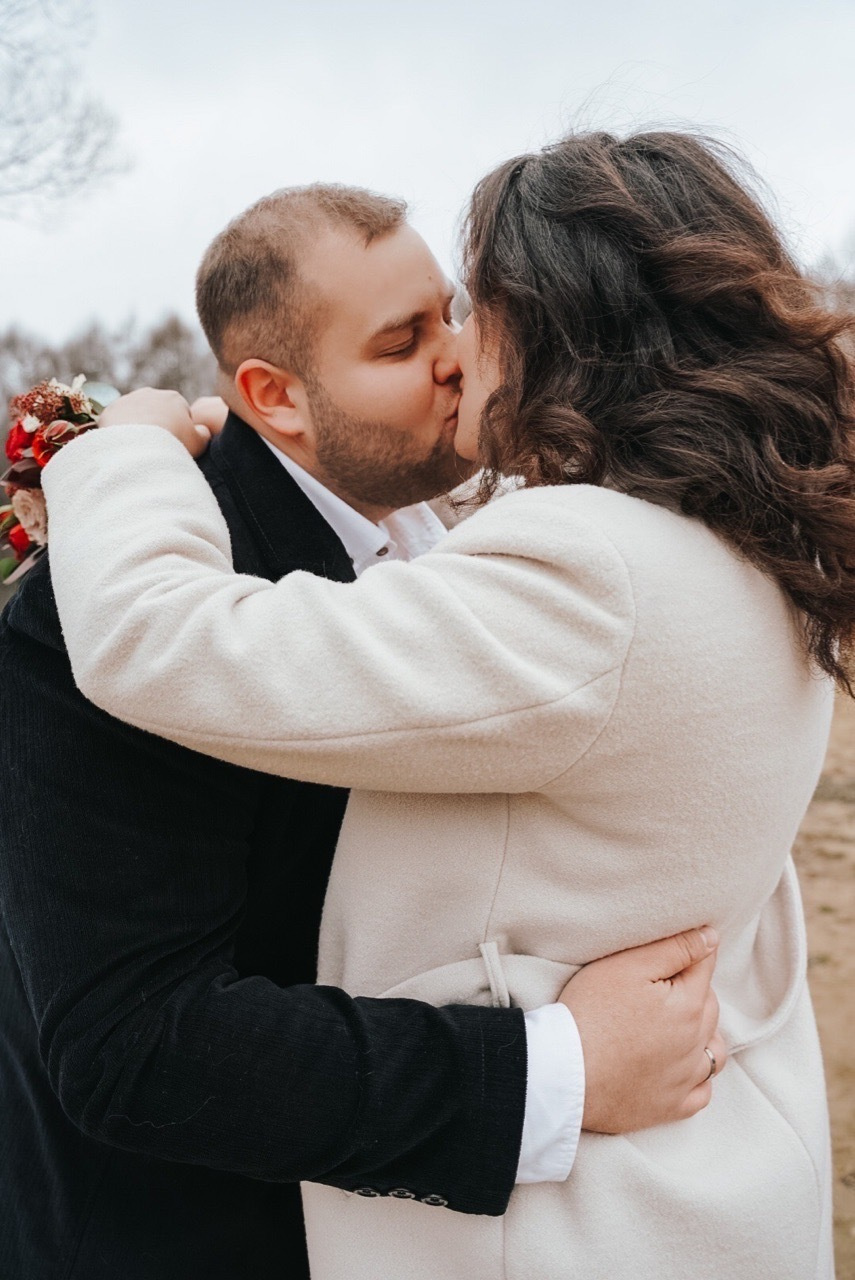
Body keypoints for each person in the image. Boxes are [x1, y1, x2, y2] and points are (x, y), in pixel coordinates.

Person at [41, 130, 849, 1278]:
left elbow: (152, 633)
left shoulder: (592, 575)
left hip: (566, 1229)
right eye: (411, 332)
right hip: (711, 1189)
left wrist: (118, 452)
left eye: (473, 312)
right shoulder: (750, 545)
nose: (457, 353)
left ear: (564, 331)